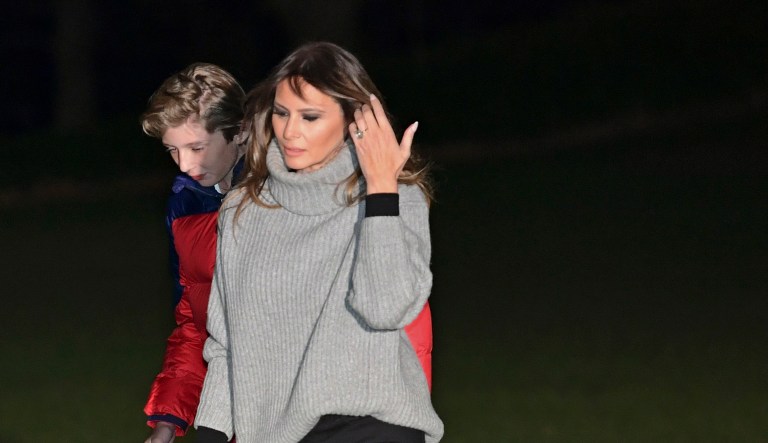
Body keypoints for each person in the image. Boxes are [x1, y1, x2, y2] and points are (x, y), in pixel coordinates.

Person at [194, 42, 443, 443]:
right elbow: (226, 341)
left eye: (310, 116)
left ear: (352, 119)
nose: (290, 131)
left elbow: (385, 308)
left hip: (371, 424)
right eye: (281, 113)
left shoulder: (394, 197)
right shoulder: (245, 209)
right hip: (275, 432)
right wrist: (211, 433)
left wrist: (380, 189)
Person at [140, 63, 246, 443]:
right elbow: (194, 322)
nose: (185, 165)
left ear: (240, 131)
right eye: (173, 150)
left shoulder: (284, 193)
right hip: (226, 404)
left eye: (197, 147)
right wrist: (168, 421)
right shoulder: (186, 201)